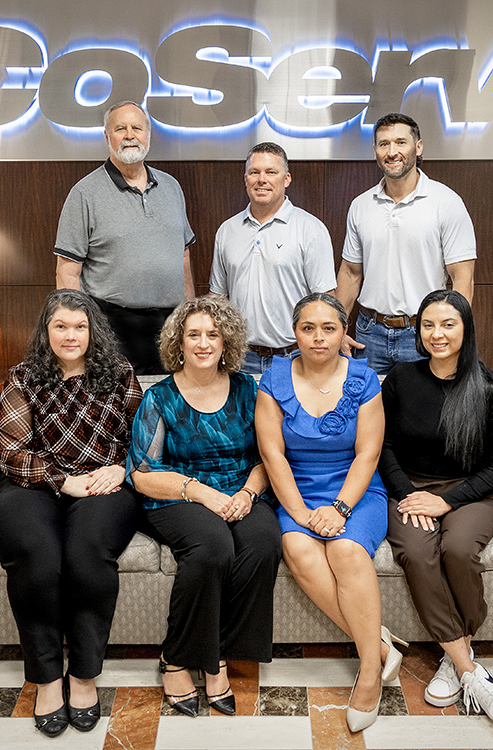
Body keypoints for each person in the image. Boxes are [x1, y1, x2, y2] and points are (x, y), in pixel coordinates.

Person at [0, 289, 143, 737]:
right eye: (61, 326)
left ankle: (83, 676)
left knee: (86, 555)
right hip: (34, 484)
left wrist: (121, 467)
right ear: (46, 331)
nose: (71, 335)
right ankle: (47, 679)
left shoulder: (119, 374)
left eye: (80, 326)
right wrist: (62, 481)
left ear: (93, 330)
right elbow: (11, 452)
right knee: (37, 558)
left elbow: (147, 436)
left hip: (105, 484)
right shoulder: (23, 377)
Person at [255, 292, 404, 733]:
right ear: (294, 333)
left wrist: (340, 508)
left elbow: (368, 452)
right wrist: (299, 512)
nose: (318, 338)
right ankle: (379, 647)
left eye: (329, 328)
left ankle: (370, 673)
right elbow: (272, 454)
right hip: (295, 492)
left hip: (356, 491)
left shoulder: (365, 378)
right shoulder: (273, 377)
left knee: (345, 551)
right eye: (308, 328)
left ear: (344, 333)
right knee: (298, 549)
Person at [128, 296, 281, 717]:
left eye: (212, 334)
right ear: (179, 340)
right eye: (193, 334)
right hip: (177, 494)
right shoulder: (159, 397)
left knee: (263, 542)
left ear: (226, 341)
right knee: (213, 547)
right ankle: (176, 658)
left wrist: (248, 494)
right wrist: (202, 493)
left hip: (242, 490)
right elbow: (142, 472)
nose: (203, 343)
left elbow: (270, 456)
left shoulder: (250, 389)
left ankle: (219, 655)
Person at [379, 289, 493, 728]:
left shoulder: (491, 387)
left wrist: (445, 501)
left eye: (448, 324)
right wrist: (407, 493)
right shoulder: (401, 378)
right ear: (418, 331)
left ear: (465, 329)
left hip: (469, 491)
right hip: (409, 489)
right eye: (428, 325)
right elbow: (380, 447)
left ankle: (455, 653)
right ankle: (465, 665)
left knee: (458, 549)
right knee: (418, 552)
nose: (437, 334)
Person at [54, 100, 196, 374]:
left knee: (169, 412)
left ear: (148, 136)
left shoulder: (171, 187)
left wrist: (189, 315)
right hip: (112, 329)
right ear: (107, 137)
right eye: (121, 128)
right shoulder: (85, 193)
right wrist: (81, 332)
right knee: (118, 412)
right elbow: (67, 274)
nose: (130, 135)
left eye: (137, 128)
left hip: (172, 326)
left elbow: (183, 255)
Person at [335, 113, 476, 374]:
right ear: (375, 151)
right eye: (384, 144)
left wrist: (453, 334)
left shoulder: (446, 202)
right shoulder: (361, 206)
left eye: (401, 142)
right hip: (369, 335)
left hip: (423, 334)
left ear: (418, 147)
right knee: (367, 413)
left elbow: (463, 278)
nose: (392, 152)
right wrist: (338, 330)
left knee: (421, 413)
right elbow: (350, 273)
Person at [209, 142, 336, 374]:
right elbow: (218, 299)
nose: (262, 179)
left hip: (294, 357)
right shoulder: (227, 230)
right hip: (240, 359)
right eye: (254, 172)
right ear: (245, 178)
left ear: (286, 179)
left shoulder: (310, 229)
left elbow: (325, 302)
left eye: (271, 172)